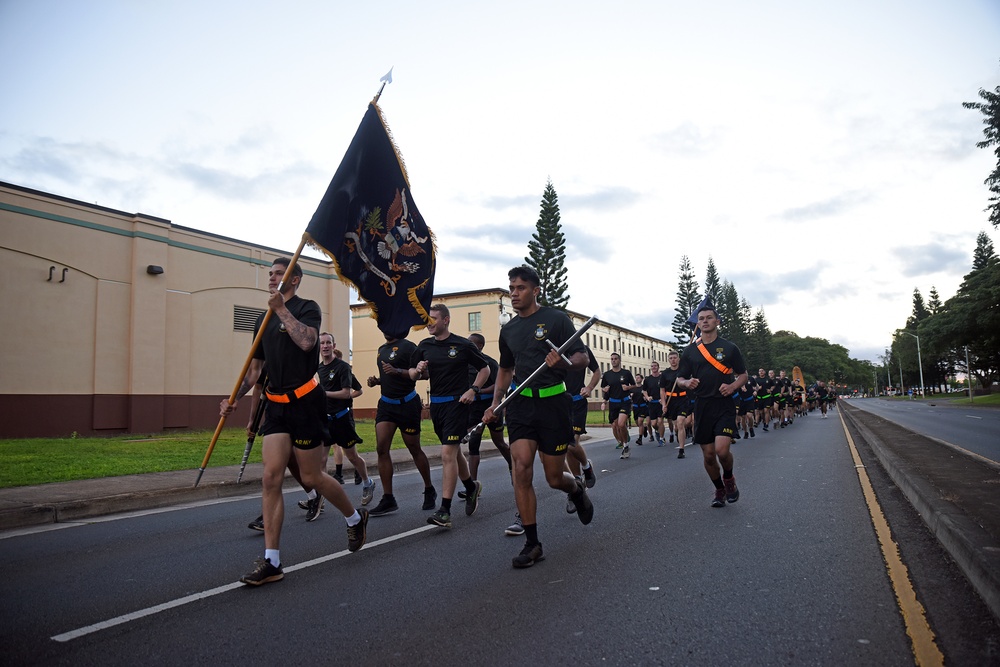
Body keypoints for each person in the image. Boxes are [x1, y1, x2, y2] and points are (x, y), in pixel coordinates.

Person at [221, 257, 368, 586]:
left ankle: (355, 518)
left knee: (312, 476)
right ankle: (272, 561)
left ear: (294, 279)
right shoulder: (262, 319)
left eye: (278, 274)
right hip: (276, 406)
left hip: (306, 403)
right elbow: (255, 372)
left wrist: (282, 310)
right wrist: (234, 397)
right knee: (270, 479)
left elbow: (307, 342)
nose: (272, 278)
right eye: (270, 274)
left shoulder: (306, 308)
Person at [484, 265, 593, 569]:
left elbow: (582, 357)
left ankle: (577, 489)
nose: (514, 293)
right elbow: (505, 370)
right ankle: (533, 544)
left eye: (520, 288)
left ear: (535, 290)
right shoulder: (508, 330)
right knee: (521, 468)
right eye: (511, 288)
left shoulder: (557, 320)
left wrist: (565, 361)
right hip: (521, 406)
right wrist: (495, 404)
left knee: (554, 477)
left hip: (553, 404)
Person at [412, 304, 490, 528]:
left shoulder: (463, 345)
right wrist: (419, 370)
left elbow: (485, 369)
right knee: (454, 454)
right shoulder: (424, 346)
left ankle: (444, 510)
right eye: (428, 318)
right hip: (436, 407)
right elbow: (417, 374)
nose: (429, 322)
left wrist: (473, 390)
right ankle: (471, 487)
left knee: (447, 453)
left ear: (445, 320)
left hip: (457, 405)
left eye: (433, 319)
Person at [675, 305, 748, 508]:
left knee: (722, 451)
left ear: (717, 322)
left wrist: (733, 386)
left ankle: (730, 479)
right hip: (702, 406)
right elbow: (680, 378)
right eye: (701, 319)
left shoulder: (730, 348)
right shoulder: (690, 351)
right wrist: (686, 383)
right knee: (708, 456)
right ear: (697, 324)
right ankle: (719, 489)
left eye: (709, 318)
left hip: (724, 405)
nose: (705, 321)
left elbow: (743, 375)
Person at [366, 332, 438, 516]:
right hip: (386, 405)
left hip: (407, 404)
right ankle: (388, 498)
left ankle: (429, 489)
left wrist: (398, 371)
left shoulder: (409, 347)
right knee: (382, 449)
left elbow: (425, 375)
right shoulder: (382, 349)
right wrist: (378, 381)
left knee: (414, 447)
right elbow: (389, 376)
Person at [311, 332, 376, 520]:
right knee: (321, 460)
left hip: (342, 418)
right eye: (321, 343)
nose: (324, 346)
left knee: (352, 456)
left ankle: (367, 482)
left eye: (328, 343)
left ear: (333, 345)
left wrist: (324, 394)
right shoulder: (318, 369)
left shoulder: (342, 367)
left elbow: (348, 393)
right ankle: (319, 498)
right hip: (325, 419)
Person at [558, 344, 601, 519]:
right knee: (566, 448)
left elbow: (597, 371)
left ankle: (586, 467)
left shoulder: (581, 348)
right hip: (558, 404)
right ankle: (576, 483)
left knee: (571, 444)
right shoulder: (549, 347)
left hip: (577, 402)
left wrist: (589, 388)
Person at [465, 333, 512, 481]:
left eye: (471, 343)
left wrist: (478, 390)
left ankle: (514, 467)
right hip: (472, 409)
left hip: (491, 407)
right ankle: (472, 486)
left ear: (479, 346)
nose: (468, 345)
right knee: (473, 444)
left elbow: (499, 385)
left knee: (499, 442)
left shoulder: (490, 363)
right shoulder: (464, 363)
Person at [602, 353, 636, 458]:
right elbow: (603, 387)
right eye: (612, 359)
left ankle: (626, 446)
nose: (613, 361)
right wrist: (605, 391)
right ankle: (623, 441)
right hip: (613, 402)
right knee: (616, 426)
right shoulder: (607, 375)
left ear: (619, 360)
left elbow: (634, 385)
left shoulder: (626, 373)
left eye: (615, 359)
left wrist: (628, 388)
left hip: (624, 402)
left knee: (621, 424)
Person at [659, 350, 691, 458]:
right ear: (668, 360)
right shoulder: (665, 373)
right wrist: (664, 404)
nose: (673, 360)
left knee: (681, 422)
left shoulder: (683, 371)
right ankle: (678, 433)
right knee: (676, 425)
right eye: (671, 358)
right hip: (671, 401)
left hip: (682, 399)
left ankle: (681, 449)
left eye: (675, 358)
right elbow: (662, 390)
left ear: (678, 359)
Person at [643, 362, 666, 445]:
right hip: (652, 403)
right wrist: (647, 397)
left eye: (655, 366)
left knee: (660, 421)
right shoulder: (647, 379)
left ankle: (662, 438)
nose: (654, 367)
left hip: (660, 403)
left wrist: (663, 398)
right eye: (652, 366)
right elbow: (644, 390)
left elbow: (666, 389)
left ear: (658, 367)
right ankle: (656, 430)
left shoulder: (662, 378)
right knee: (653, 424)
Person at [631, 374, 648, 445]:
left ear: (641, 379)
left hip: (642, 407)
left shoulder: (644, 388)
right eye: (636, 377)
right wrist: (630, 396)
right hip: (635, 407)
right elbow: (629, 396)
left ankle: (640, 438)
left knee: (640, 421)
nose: (637, 379)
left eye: (638, 378)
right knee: (638, 423)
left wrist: (645, 397)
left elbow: (647, 395)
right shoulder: (632, 388)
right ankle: (644, 428)